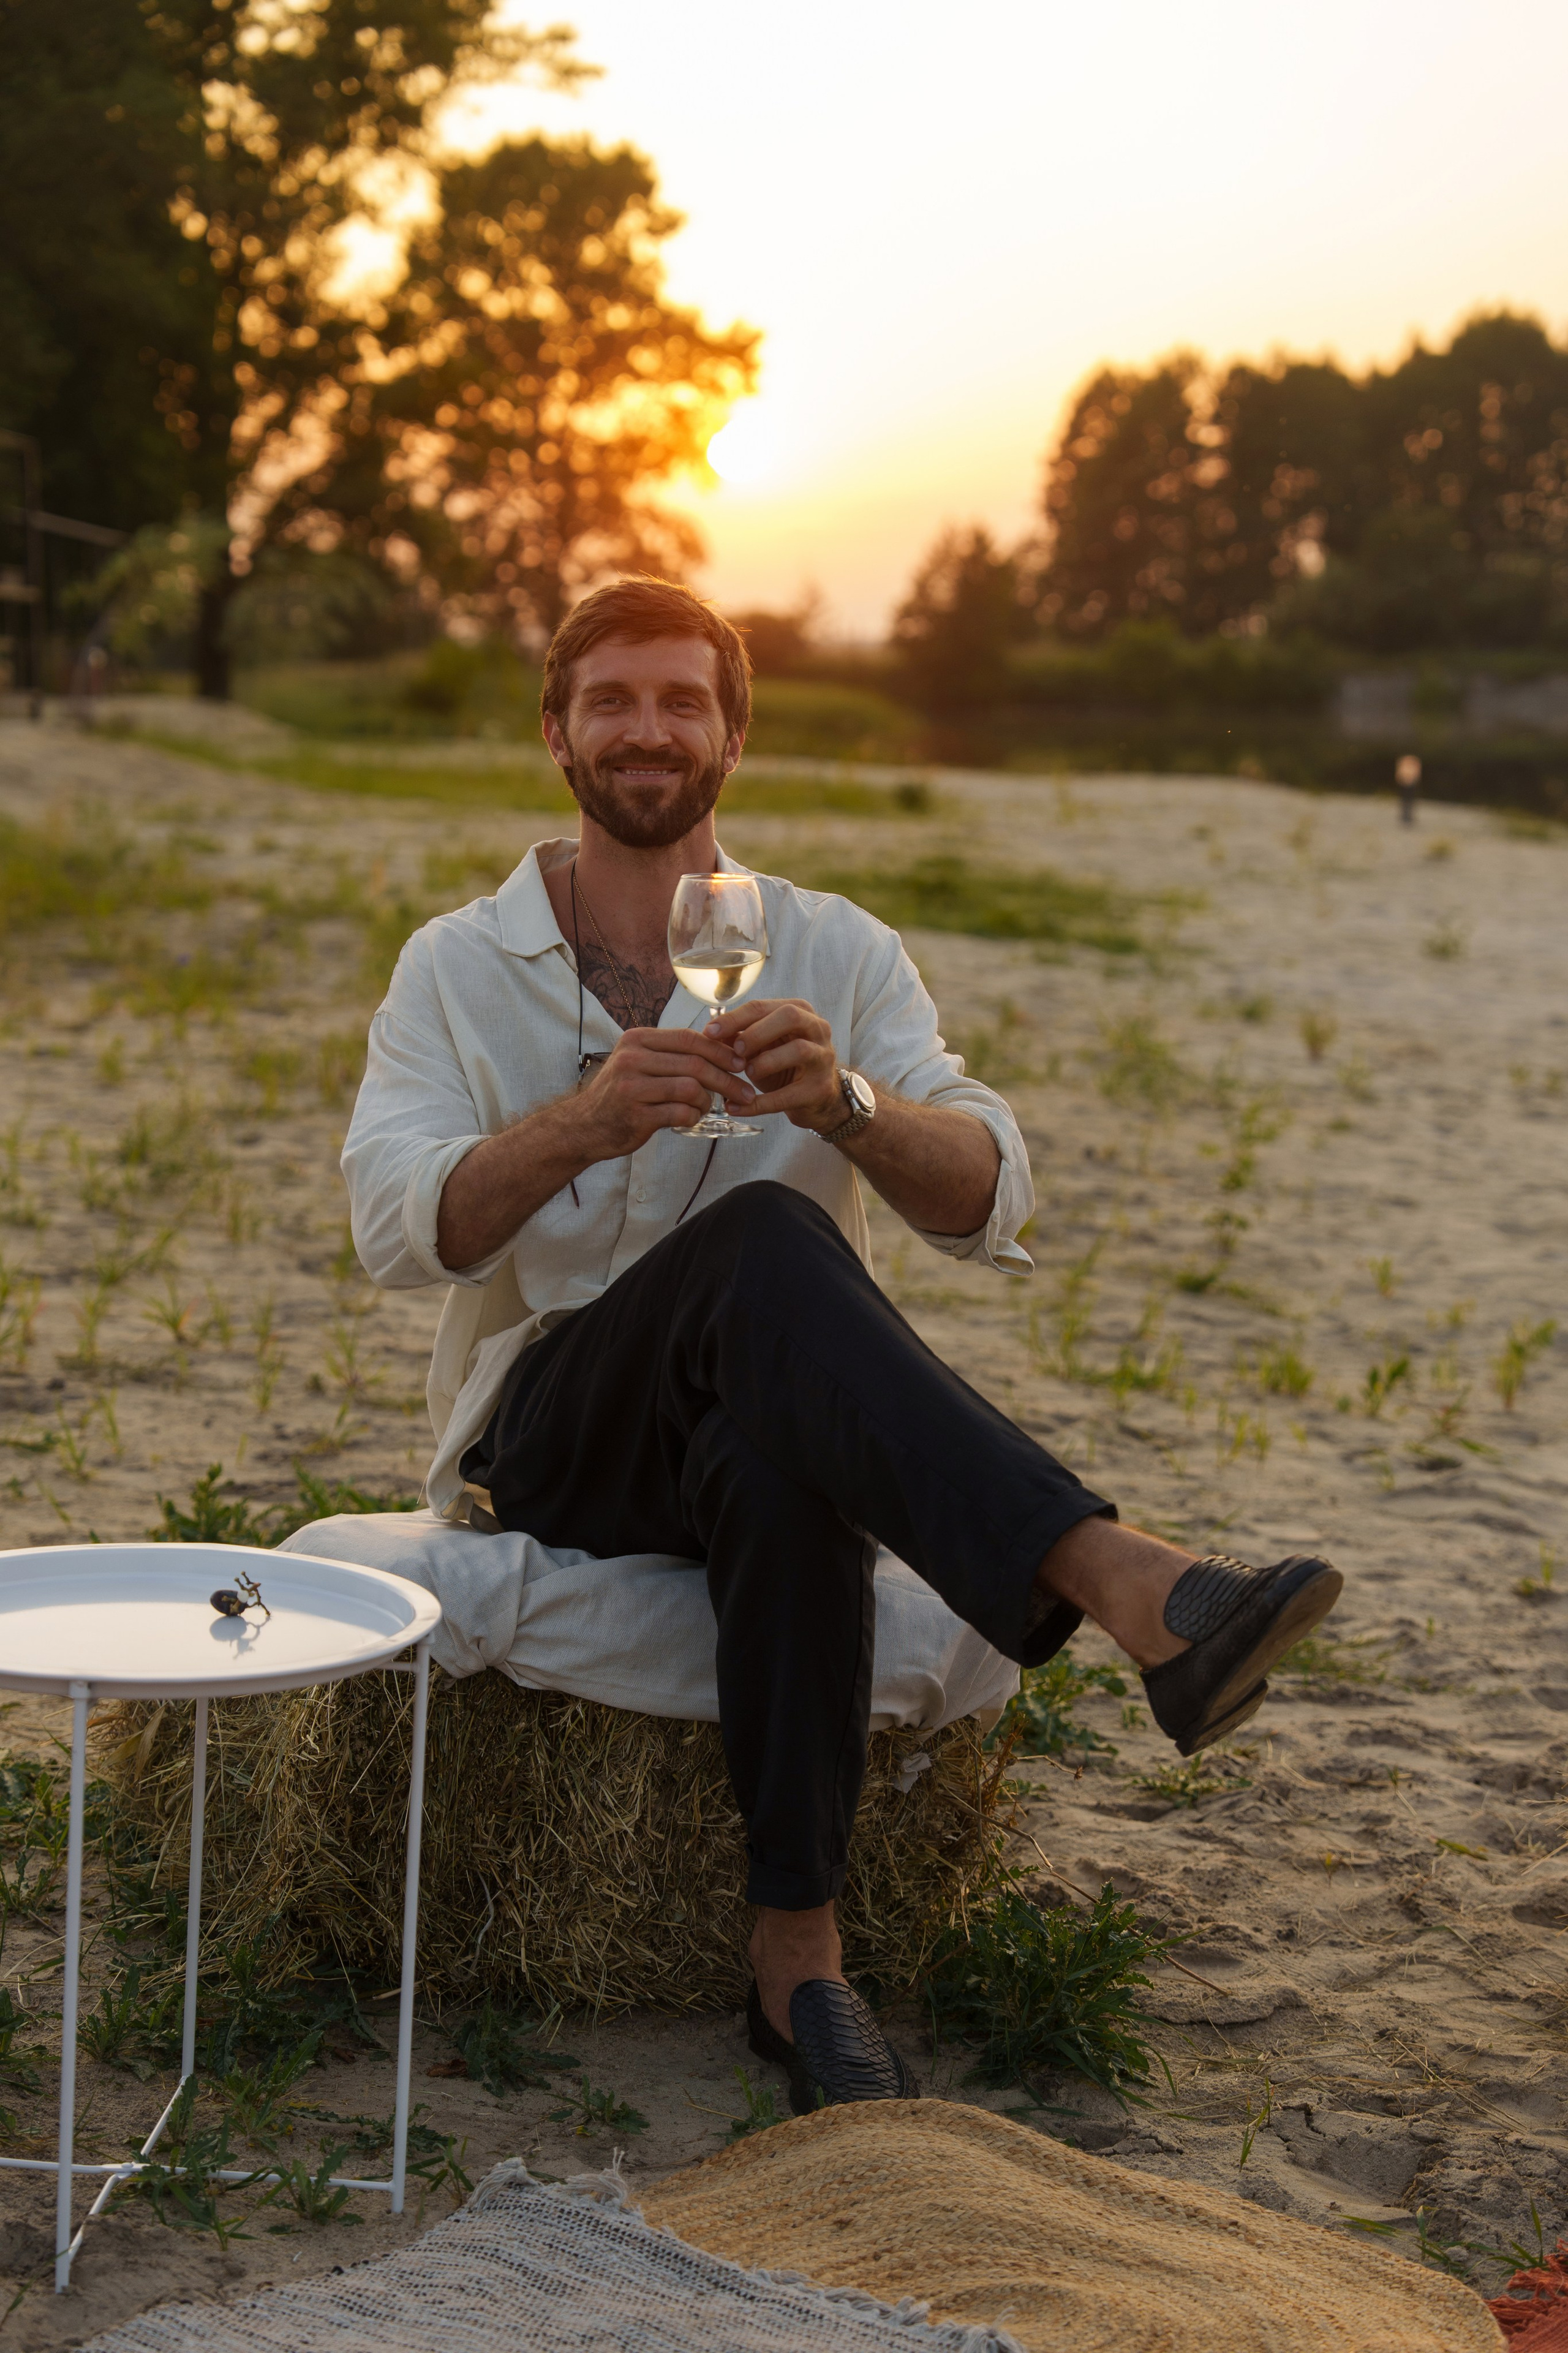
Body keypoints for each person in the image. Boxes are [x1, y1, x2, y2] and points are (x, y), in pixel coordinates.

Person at [342, 576, 1343, 2115]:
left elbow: (992, 1193)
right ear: (555, 731)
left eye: (683, 698)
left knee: (776, 1441)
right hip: (550, 1433)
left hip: (749, 1423)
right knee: (755, 1242)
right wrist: (583, 1120)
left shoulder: (831, 946)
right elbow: (399, 1225)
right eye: (611, 699)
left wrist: (847, 1109)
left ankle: (795, 1962)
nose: (647, 728)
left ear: (732, 730)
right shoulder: (453, 965)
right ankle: (1123, 1583)